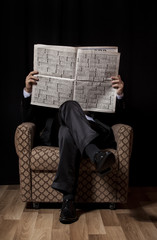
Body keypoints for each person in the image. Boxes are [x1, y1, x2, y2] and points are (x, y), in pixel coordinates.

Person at [22, 70, 125, 224]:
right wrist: (28, 91)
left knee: (67, 132)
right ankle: (95, 154)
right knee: (69, 106)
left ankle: (68, 201)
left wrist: (119, 94)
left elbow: (121, 119)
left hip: (92, 127)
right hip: (58, 125)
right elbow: (27, 118)